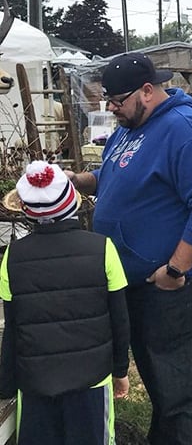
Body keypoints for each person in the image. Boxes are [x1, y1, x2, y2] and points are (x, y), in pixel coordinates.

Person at [66, 53, 192, 445]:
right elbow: (115, 171)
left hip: (182, 284)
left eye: (117, 100)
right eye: (107, 99)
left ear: (147, 91)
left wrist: (175, 270)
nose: (111, 108)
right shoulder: (131, 125)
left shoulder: (181, 129)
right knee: (163, 384)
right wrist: (79, 180)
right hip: (143, 280)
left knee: (182, 389)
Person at [0, 161, 130, 445]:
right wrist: (121, 371)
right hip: (92, 380)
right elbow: (120, 319)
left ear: (28, 212)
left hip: (34, 384)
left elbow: (12, 328)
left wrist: (6, 385)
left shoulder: (11, 257)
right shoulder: (103, 249)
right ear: (72, 202)